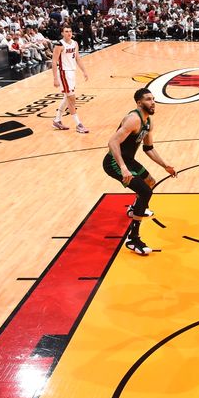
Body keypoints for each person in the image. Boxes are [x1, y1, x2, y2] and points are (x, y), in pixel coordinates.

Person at [103, 88, 177, 255]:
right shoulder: (133, 119)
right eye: (148, 99)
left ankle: (134, 209)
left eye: (153, 99)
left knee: (150, 182)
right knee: (145, 191)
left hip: (128, 161)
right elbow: (112, 142)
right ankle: (133, 239)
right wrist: (123, 168)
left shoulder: (148, 122)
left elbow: (148, 148)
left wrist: (165, 165)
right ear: (139, 103)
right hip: (114, 162)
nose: (153, 102)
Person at [52, 26, 90, 133]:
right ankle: (78, 124)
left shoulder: (75, 43)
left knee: (67, 97)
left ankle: (57, 120)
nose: (69, 33)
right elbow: (54, 62)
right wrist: (55, 78)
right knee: (72, 99)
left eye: (70, 31)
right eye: (66, 31)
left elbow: (77, 57)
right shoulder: (59, 45)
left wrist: (84, 71)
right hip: (64, 73)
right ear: (62, 33)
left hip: (72, 72)